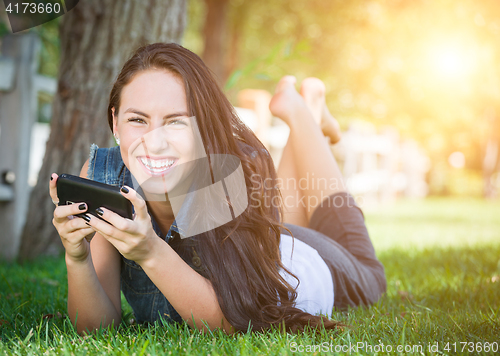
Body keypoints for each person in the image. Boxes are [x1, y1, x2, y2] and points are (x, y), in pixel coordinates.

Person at [49, 43, 386, 334]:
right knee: (280, 222)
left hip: (307, 265)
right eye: (138, 119)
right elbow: (96, 328)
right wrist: (77, 258)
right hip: (270, 242)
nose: (155, 141)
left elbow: (232, 321)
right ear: (115, 123)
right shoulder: (105, 176)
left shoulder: (227, 176)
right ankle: (308, 111)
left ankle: (302, 111)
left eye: (175, 121)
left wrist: (149, 250)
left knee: (371, 274)